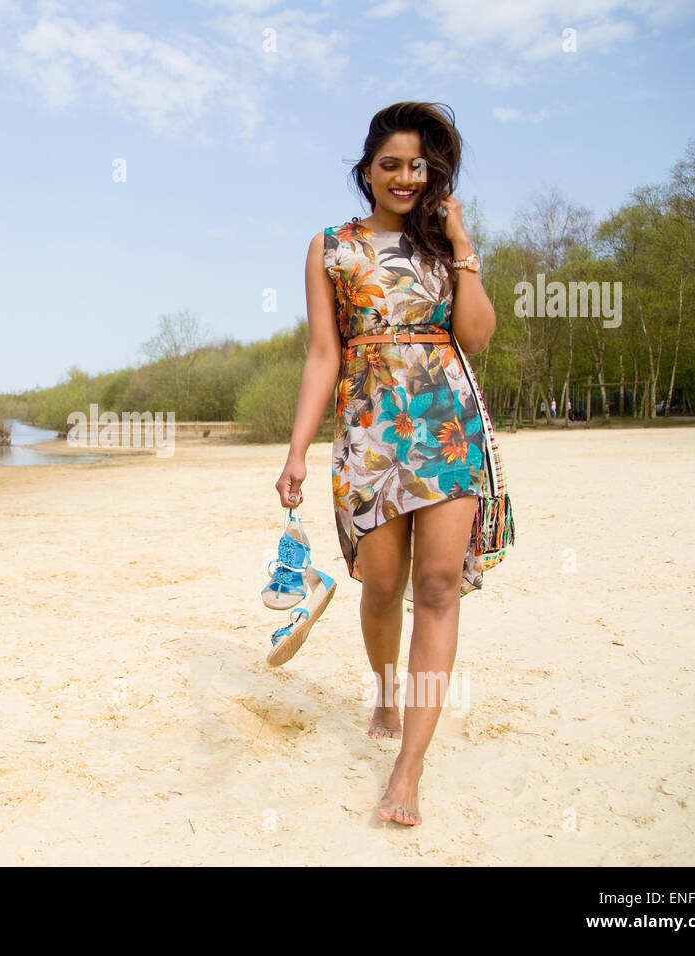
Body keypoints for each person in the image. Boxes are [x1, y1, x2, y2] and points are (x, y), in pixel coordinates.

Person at [274, 101, 504, 827]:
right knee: (381, 588)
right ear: (367, 169)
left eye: (419, 166)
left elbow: (477, 335)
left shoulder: (444, 245)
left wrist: (462, 243)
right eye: (391, 164)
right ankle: (383, 686)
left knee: (438, 587)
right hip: (371, 428)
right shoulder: (331, 247)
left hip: (445, 425)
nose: (406, 177)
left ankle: (409, 770)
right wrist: (296, 450)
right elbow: (322, 354)